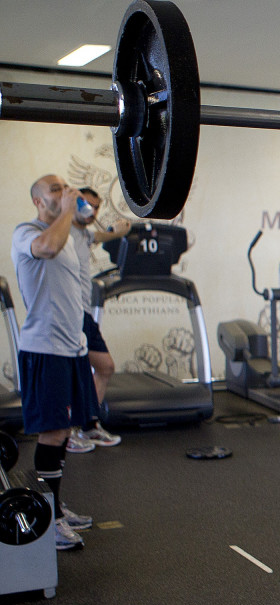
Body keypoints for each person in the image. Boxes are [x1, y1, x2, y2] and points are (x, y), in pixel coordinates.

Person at [11, 176, 102, 550]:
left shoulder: (67, 235)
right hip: (45, 350)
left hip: (71, 348)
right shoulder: (27, 232)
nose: (64, 192)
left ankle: (54, 506)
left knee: (64, 431)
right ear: (37, 200)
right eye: (54, 189)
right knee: (51, 432)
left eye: (65, 186)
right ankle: (49, 521)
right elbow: (46, 248)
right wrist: (67, 211)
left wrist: (78, 213)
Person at [66, 186, 127, 453]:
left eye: (95, 207)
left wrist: (117, 232)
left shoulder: (85, 233)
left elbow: (98, 235)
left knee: (105, 367)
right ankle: (67, 431)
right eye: (85, 205)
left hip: (84, 314)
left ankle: (89, 425)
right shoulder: (63, 232)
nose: (91, 211)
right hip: (67, 315)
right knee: (72, 375)